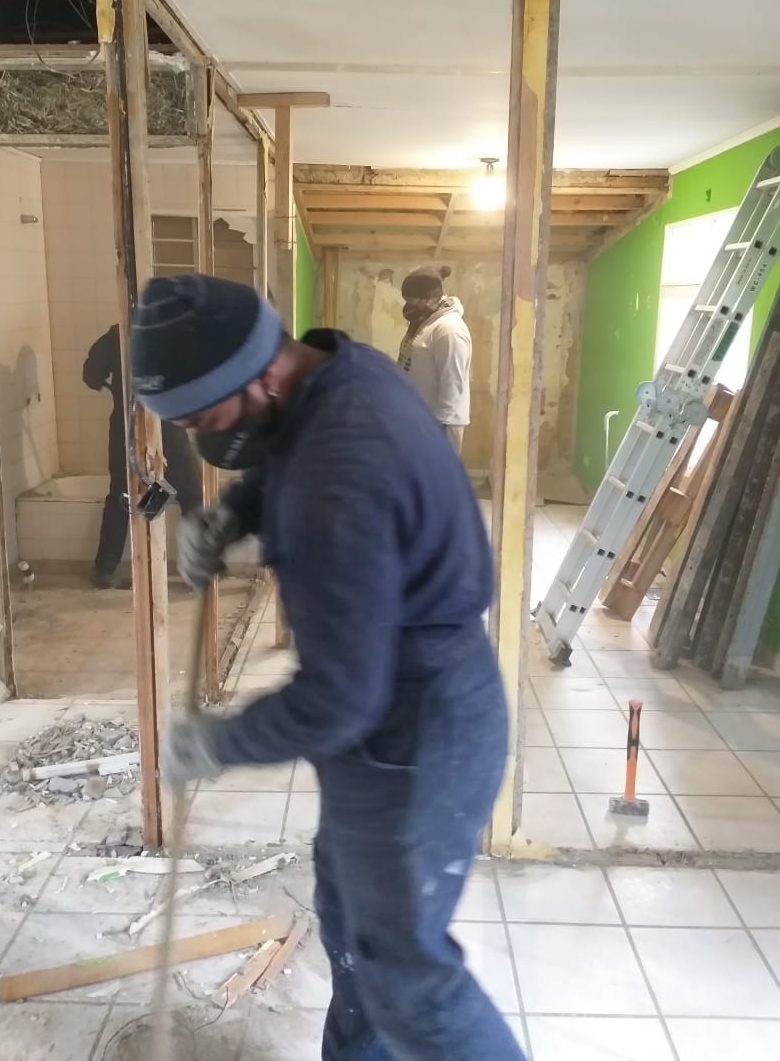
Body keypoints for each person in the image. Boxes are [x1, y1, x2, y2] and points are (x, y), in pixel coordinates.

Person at [129, 273, 523, 1061]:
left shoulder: (336, 480)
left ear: (259, 376)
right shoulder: (338, 371)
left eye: (203, 418)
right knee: (350, 922)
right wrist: (236, 511)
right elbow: (280, 448)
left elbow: (340, 699)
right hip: (403, 699)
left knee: (407, 979)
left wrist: (219, 742)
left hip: (418, 728)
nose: (201, 438)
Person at [82, 322, 202, 589]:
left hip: (125, 427)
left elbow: (90, 375)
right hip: (166, 425)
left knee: (122, 494)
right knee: (191, 495)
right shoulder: (172, 331)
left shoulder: (116, 334)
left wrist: (112, 384)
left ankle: (105, 569)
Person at [397, 264, 472, 455]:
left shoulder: (449, 330)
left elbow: (453, 383)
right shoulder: (426, 324)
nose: (409, 307)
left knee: (438, 473)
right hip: (422, 419)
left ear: (430, 299)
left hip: (439, 424)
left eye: (412, 301)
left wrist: (438, 431)